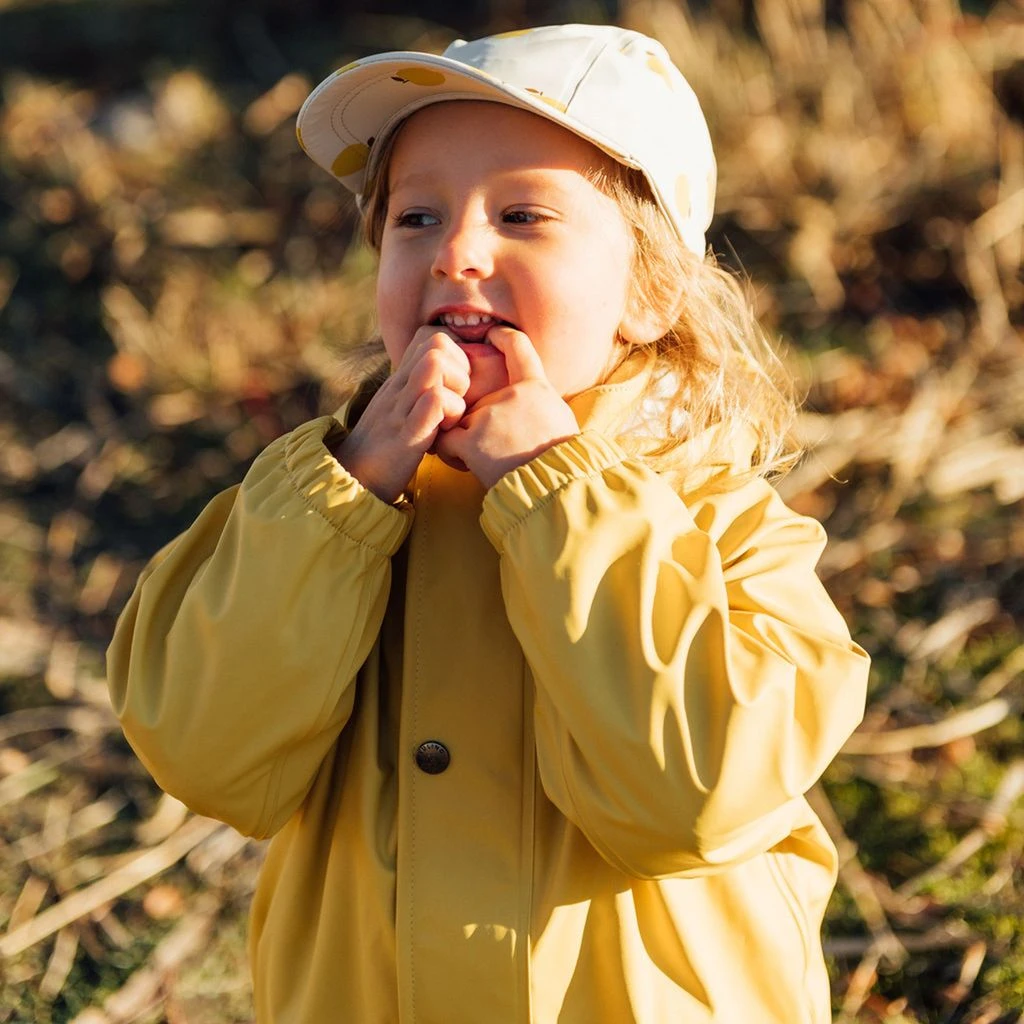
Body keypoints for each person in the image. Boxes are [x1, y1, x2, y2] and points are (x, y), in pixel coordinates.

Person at [107, 23, 870, 1024]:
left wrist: (560, 493)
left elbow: (691, 794)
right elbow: (204, 753)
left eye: (522, 214)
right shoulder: (309, 507)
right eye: (414, 217)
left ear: (649, 292)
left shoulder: (725, 524)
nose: (456, 252)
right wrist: (342, 496)